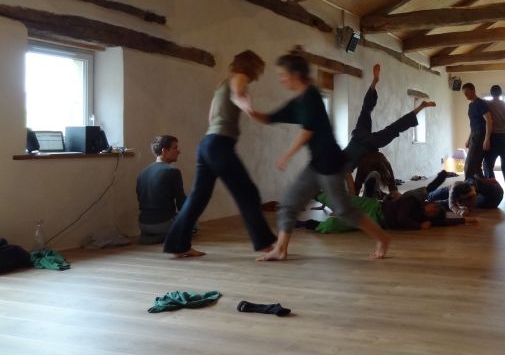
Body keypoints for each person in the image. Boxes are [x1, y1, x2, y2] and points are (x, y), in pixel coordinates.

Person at [255, 53, 391, 260]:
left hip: (330, 164)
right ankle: (280, 249)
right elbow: (270, 117)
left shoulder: (312, 96)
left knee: (344, 210)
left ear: (295, 74)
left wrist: (287, 155)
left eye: (283, 75)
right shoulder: (298, 102)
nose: (281, 79)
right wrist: (245, 107)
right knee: (289, 204)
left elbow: (307, 131)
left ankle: (382, 238)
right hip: (316, 164)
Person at [162, 51, 277, 259]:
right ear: (251, 66)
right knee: (247, 193)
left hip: (207, 144)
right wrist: (248, 108)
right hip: (219, 145)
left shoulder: (222, 84)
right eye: (259, 67)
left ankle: (178, 245)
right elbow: (238, 95)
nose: (259, 72)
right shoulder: (239, 78)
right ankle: (265, 244)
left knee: (199, 197)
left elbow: (211, 117)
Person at [343, 64, 435, 187]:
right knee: (365, 110)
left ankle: (420, 107)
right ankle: (373, 84)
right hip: (357, 136)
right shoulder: (337, 157)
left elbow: (349, 180)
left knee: (393, 129)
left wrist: (352, 197)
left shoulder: (341, 169)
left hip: (368, 144)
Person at [300, 171, 477, 232]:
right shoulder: (414, 201)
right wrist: (418, 227)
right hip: (375, 206)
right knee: (344, 200)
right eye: (433, 207)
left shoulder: (426, 219)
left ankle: (306, 225)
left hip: (375, 221)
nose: (431, 211)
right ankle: (315, 193)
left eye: (432, 213)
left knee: (335, 225)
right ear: (430, 204)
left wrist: (464, 221)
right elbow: (401, 219)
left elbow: (443, 222)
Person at [136, 135, 187, 244]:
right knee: (192, 220)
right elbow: (181, 202)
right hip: (162, 224)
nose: (179, 151)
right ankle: (165, 236)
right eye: (175, 148)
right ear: (164, 151)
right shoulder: (172, 171)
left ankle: (150, 236)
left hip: (143, 224)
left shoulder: (143, 173)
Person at [428, 175, 504, 217]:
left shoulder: (474, 186)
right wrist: (459, 211)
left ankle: (429, 202)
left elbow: (452, 205)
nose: (460, 203)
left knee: (448, 202)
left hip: (492, 196)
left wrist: (460, 210)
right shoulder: (459, 187)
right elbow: (452, 205)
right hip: (482, 194)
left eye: (461, 201)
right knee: (434, 196)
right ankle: (428, 196)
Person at [462, 83, 492, 179]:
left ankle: (466, 190)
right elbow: (473, 125)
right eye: (464, 93)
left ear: (473, 90)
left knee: (468, 166)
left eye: (467, 93)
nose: (465, 95)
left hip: (480, 136)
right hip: (474, 135)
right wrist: (469, 139)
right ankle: (481, 190)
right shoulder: (471, 105)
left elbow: (489, 120)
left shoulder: (481, 103)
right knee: (476, 167)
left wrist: (487, 139)